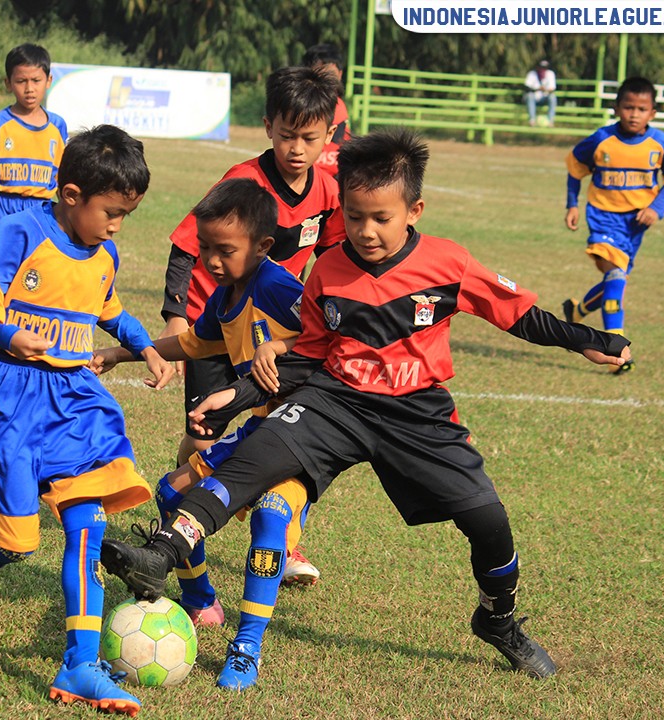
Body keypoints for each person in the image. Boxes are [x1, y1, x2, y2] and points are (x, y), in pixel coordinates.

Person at [100, 129, 633, 687]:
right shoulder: (329, 270)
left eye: (381, 218)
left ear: (414, 211)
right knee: (248, 461)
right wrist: (241, 394)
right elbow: (306, 356)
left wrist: (585, 339)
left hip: (416, 413)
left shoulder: (447, 263)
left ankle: (498, 620)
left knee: (488, 521)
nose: (366, 230)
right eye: (354, 216)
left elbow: (518, 314)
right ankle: (160, 553)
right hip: (335, 401)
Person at [0, 125, 172, 716]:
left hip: (73, 400)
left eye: (125, 215)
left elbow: (109, 309)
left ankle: (80, 665)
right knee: (15, 542)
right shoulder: (19, 233)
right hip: (9, 394)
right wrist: (10, 335)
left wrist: (146, 347)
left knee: (87, 525)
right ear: (71, 195)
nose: (116, 227)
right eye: (111, 213)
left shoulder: (104, 254)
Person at [93, 178, 315, 687]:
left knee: (271, 514)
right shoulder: (226, 295)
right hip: (259, 430)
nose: (211, 260)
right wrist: (125, 352)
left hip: (303, 436)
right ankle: (200, 599)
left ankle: (247, 646)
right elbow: (193, 343)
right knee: (173, 491)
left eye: (224, 250)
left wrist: (277, 353)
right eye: (205, 248)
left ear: (262, 246)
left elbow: (324, 341)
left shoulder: (279, 288)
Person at [159, 65, 346, 585]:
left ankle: (283, 542)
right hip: (216, 326)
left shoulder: (328, 192)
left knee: (282, 438)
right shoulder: (242, 180)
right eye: (286, 135)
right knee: (204, 433)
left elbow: (331, 263)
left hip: (273, 337)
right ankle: (180, 505)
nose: (296, 148)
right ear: (268, 127)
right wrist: (175, 313)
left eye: (309, 138)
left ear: (329, 135)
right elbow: (185, 244)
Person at [563, 77, 664, 374]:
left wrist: (656, 208)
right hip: (603, 219)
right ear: (617, 108)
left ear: (652, 113)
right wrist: (572, 204)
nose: (634, 114)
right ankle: (615, 350)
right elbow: (575, 168)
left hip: (635, 225)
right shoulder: (601, 139)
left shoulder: (660, 143)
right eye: (628, 107)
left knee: (615, 281)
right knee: (616, 277)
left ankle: (576, 311)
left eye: (642, 109)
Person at [0, 43, 67, 243]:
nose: (29, 89)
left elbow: (62, 177)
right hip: (3, 212)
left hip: (42, 214)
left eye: (36, 80)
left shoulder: (57, 126)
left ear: (48, 81)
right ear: (8, 83)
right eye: (21, 81)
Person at [302, 43, 352, 176]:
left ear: (340, 74)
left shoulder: (339, 107)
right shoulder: (299, 107)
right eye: (319, 74)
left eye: (329, 74)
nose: (325, 81)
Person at [525, 59, 557, 127]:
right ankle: (532, 120)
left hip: (545, 98)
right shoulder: (532, 74)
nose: (542, 70)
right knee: (529, 95)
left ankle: (550, 121)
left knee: (552, 97)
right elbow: (527, 88)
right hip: (534, 98)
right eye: (541, 68)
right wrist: (538, 89)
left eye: (544, 68)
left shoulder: (550, 74)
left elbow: (552, 89)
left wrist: (545, 90)